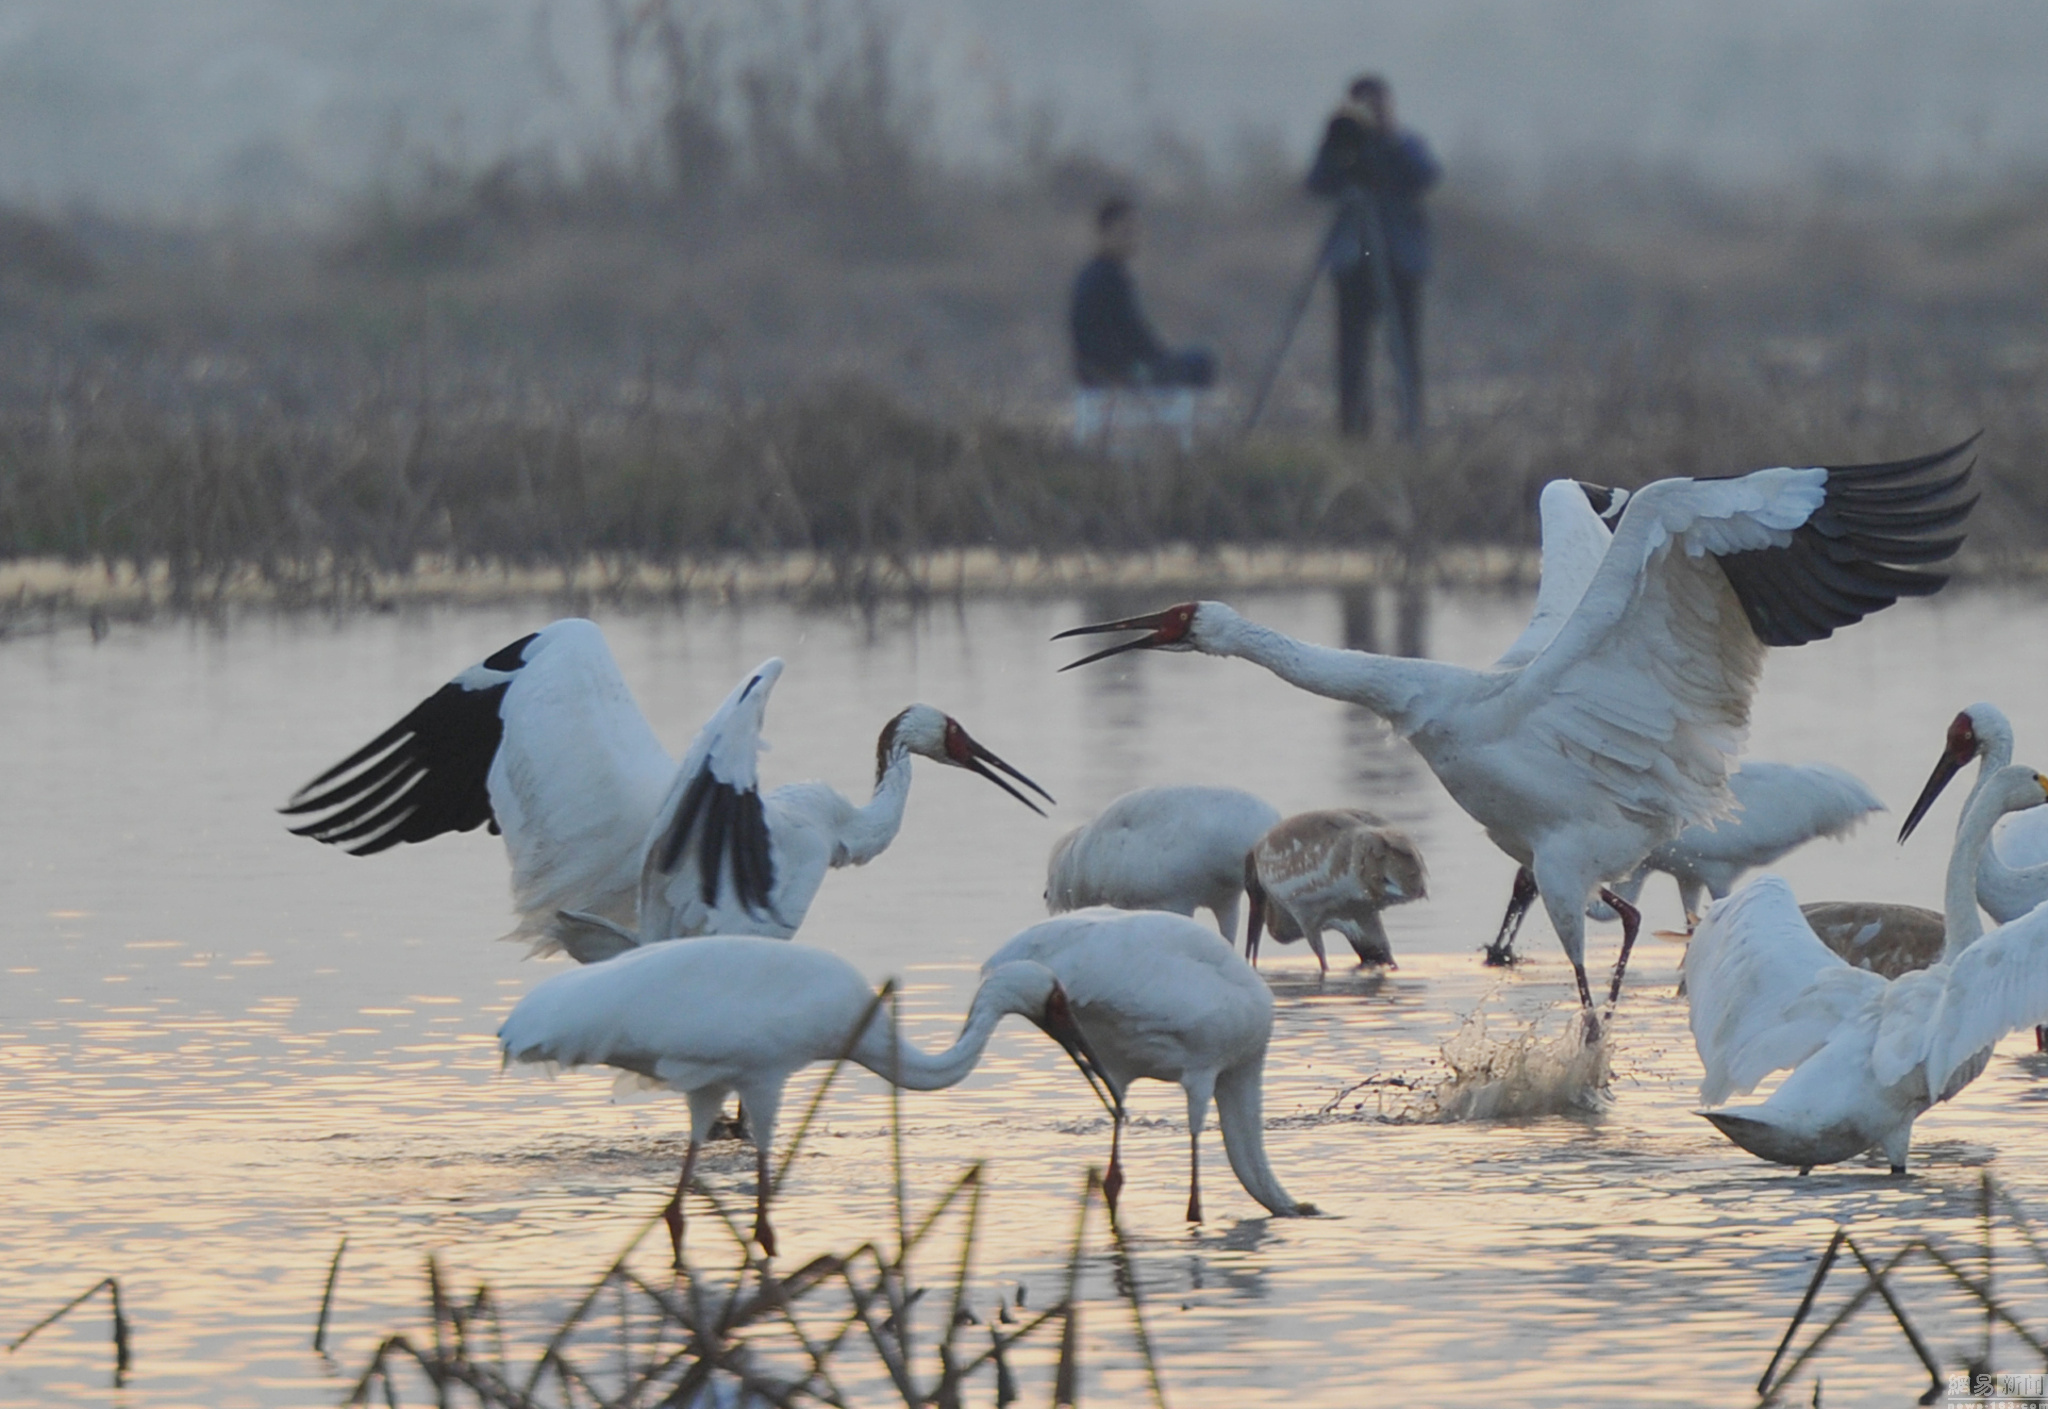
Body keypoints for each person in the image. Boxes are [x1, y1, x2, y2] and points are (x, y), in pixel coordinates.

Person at [1307, 75, 1439, 439]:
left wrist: (1390, 136)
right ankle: (1354, 432)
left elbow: (1426, 175)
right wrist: (1338, 143)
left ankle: (1411, 429)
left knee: (1405, 352)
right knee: (1351, 353)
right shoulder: (1342, 143)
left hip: (1400, 261)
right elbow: (1316, 183)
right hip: (1353, 261)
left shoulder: (1404, 142)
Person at [1069, 198, 1215, 434]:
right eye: (1125, 231)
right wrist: (1159, 360)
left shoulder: (1095, 274)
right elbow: (1133, 335)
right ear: (1104, 233)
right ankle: (1186, 437)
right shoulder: (1107, 278)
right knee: (1199, 363)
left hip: (1101, 369)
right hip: (1115, 372)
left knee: (1187, 362)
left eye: (1135, 231)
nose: (1133, 238)